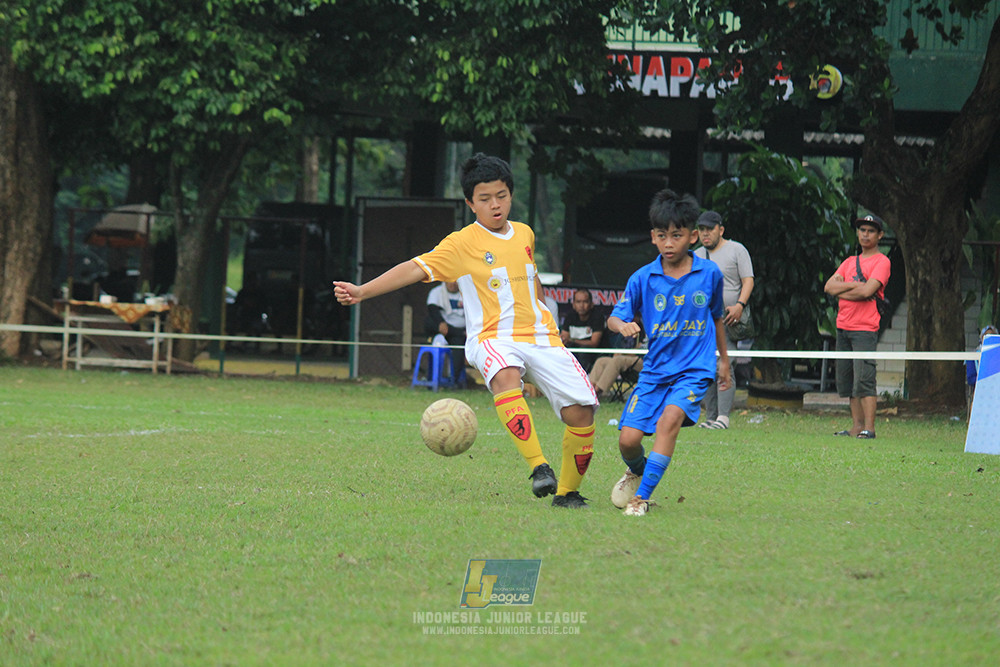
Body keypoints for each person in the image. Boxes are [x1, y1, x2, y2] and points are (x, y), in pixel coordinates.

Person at [333, 153, 597, 509]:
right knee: (505, 376)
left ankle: (567, 494)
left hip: (542, 338)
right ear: (470, 203)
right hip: (491, 338)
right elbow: (413, 268)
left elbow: (531, 283)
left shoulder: (525, 234)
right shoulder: (459, 244)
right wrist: (363, 291)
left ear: (511, 194)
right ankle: (539, 467)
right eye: (485, 199)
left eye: (501, 195)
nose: (495, 205)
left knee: (581, 413)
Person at [605, 188, 731, 517]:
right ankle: (639, 471)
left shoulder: (710, 275)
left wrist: (724, 363)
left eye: (677, 235)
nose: (669, 243)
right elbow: (614, 317)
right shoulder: (643, 278)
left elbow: (717, 318)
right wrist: (624, 326)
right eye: (662, 236)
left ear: (692, 237)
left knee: (668, 421)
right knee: (628, 441)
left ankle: (640, 498)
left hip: (694, 369)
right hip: (655, 371)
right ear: (653, 237)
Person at [824, 214, 891, 439]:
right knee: (847, 379)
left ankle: (869, 428)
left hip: (865, 327)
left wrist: (845, 288)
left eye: (871, 231)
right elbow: (829, 287)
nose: (865, 234)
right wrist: (855, 285)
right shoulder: (849, 262)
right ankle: (855, 426)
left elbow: (867, 291)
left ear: (880, 235)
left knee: (864, 378)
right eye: (862, 230)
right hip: (843, 326)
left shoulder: (882, 262)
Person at [693, 210, 755, 429]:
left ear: (721, 229)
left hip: (728, 319)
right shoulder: (696, 255)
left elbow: (748, 281)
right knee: (707, 367)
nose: (705, 234)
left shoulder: (737, 249)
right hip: (702, 322)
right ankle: (711, 417)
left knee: (724, 364)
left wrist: (740, 305)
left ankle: (723, 417)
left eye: (709, 229)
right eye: (701, 230)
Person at [425, 280, 470, 385]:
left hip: (460, 331)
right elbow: (432, 310)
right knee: (430, 322)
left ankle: (454, 380)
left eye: (455, 281)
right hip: (442, 330)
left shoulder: (467, 293)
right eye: (450, 281)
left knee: (459, 346)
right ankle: (432, 380)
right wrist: (440, 322)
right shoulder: (436, 292)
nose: (453, 284)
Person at [560, 288, 605, 372]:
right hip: (574, 350)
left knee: (584, 351)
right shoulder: (570, 316)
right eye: (578, 302)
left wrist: (572, 340)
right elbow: (564, 339)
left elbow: (594, 343)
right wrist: (568, 340)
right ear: (573, 304)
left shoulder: (597, 317)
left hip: (593, 355)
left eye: (585, 302)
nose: (581, 305)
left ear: (591, 304)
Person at [967, 325, 998, 422]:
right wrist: (986, 381)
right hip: (980, 388)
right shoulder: (974, 355)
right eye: (986, 337)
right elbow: (970, 378)